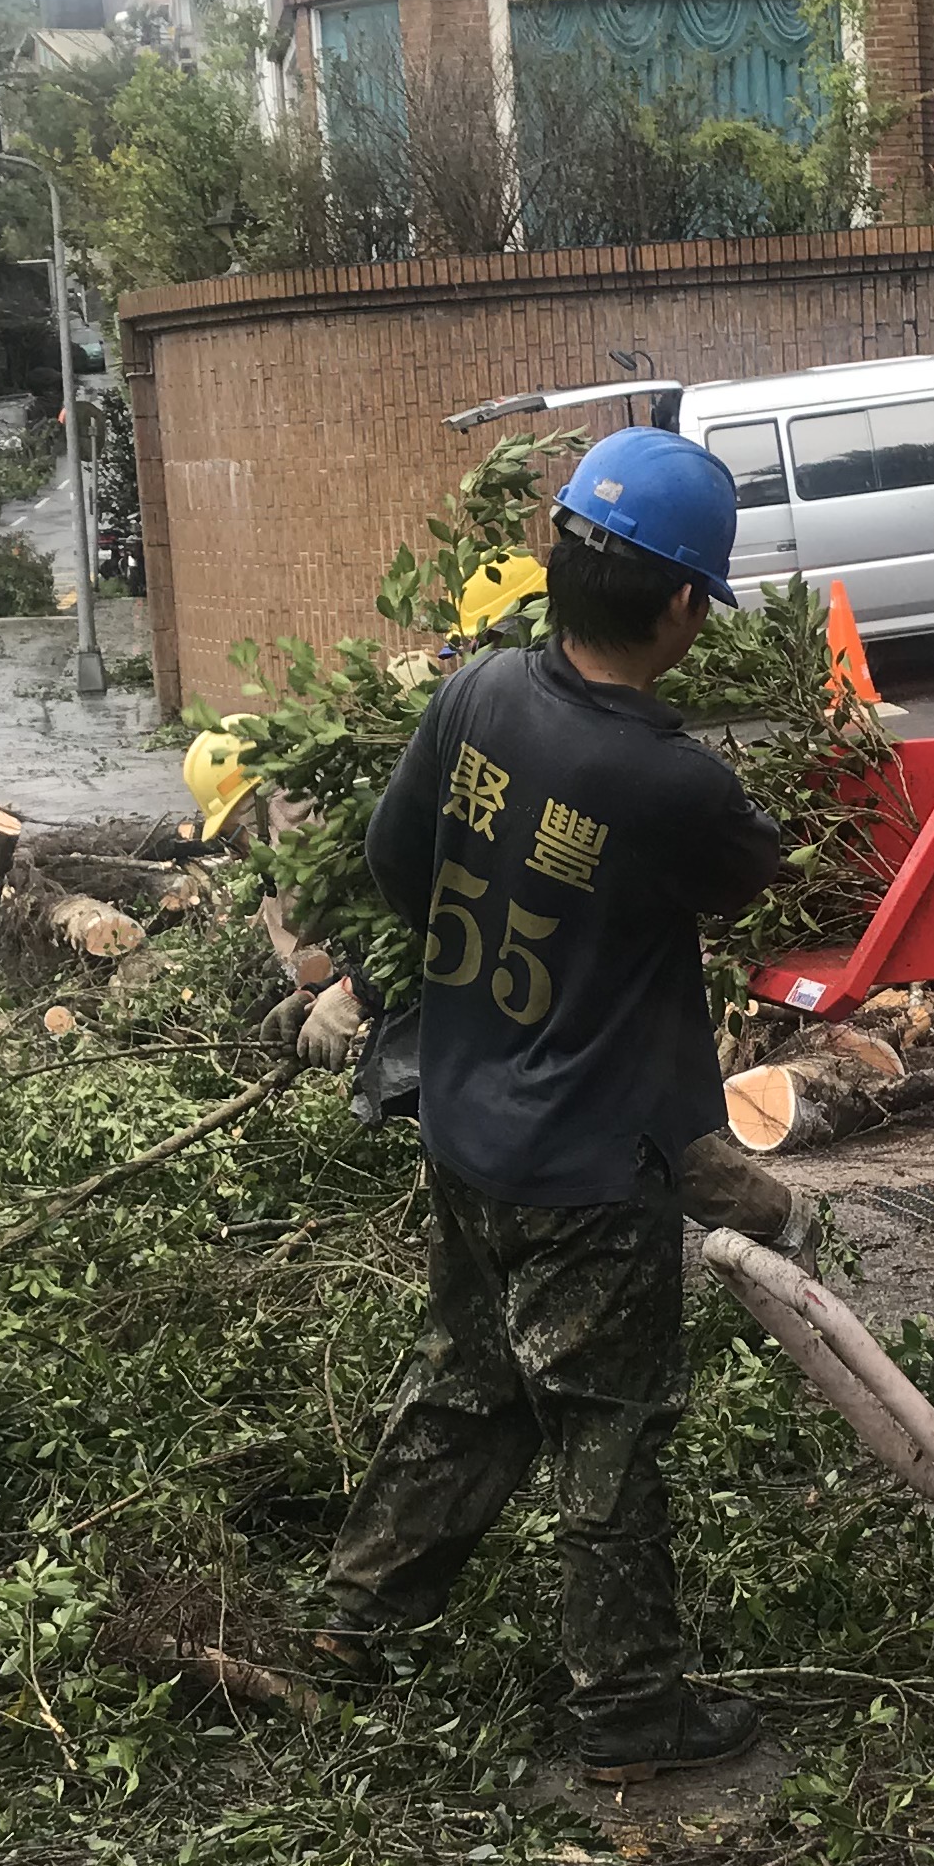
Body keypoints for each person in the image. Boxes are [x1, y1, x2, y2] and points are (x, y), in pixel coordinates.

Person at [311, 427, 788, 1784]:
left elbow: (394, 858)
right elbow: (756, 874)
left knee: (469, 1384)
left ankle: (355, 1618)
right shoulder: (670, 778)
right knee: (608, 1432)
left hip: (468, 1122)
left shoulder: (480, 695)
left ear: (560, 566)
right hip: (589, 1168)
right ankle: (629, 1711)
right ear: (685, 603)